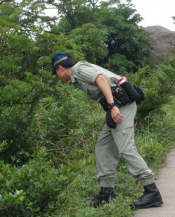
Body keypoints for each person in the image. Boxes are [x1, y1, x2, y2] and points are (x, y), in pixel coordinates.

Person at [50, 52, 163, 209]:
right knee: (103, 146)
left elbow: (100, 79)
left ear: (60, 68)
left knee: (126, 148)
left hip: (120, 106)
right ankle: (106, 191)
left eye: (55, 73)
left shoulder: (78, 70)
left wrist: (111, 106)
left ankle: (152, 191)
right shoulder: (79, 72)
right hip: (116, 106)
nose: (57, 77)